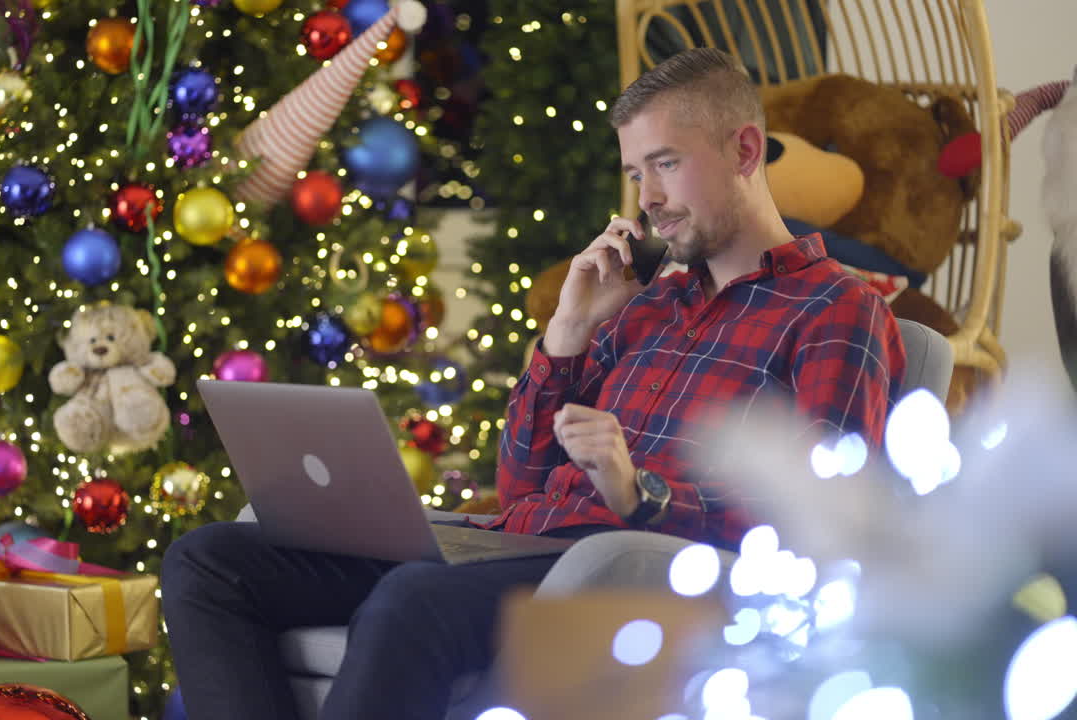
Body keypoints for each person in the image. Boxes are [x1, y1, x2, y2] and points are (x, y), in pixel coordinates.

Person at [161, 47, 906, 720]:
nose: (647, 197)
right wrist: (567, 337)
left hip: (635, 572)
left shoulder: (836, 310)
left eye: (667, 163)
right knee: (210, 561)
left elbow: (823, 527)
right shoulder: (645, 306)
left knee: (411, 602)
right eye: (635, 172)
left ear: (745, 149)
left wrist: (635, 491)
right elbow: (520, 490)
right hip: (519, 552)